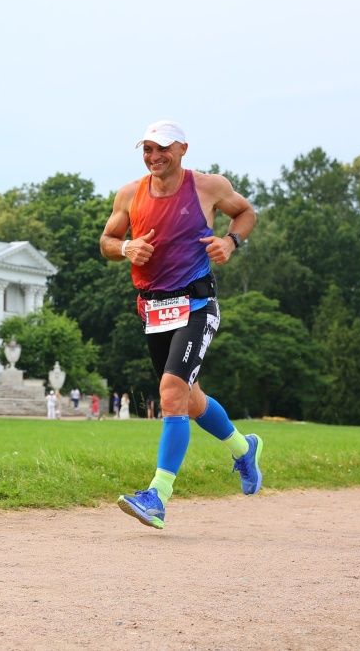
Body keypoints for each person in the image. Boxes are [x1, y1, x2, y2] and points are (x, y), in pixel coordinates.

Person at [100, 119, 262, 530]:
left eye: (163, 148)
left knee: (171, 392)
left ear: (183, 149)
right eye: (148, 149)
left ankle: (158, 495)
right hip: (154, 311)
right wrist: (126, 246)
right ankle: (244, 449)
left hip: (196, 304)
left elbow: (246, 212)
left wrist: (230, 242)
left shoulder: (208, 186)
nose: (154, 156)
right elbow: (106, 242)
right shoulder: (129, 194)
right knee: (189, 398)